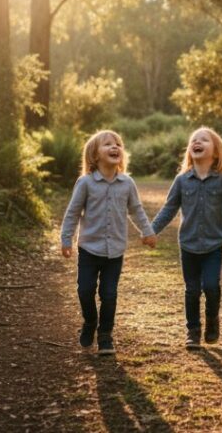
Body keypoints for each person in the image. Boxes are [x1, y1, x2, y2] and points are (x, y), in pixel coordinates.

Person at [151, 127, 222, 350]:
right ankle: (193, 331)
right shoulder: (182, 180)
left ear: (215, 152)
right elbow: (169, 209)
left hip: (213, 245)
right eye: (194, 140)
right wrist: (151, 230)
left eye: (204, 140)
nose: (197, 142)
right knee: (192, 289)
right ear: (190, 149)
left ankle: (212, 321)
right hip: (188, 245)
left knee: (212, 286)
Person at [61, 130, 157, 355]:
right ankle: (89, 322)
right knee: (85, 290)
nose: (115, 147)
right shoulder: (85, 183)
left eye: (118, 144)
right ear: (95, 155)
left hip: (115, 251)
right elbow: (73, 212)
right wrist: (66, 238)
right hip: (88, 249)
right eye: (107, 144)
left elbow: (136, 210)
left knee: (109, 294)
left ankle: (105, 336)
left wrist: (147, 231)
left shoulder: (127, 183)